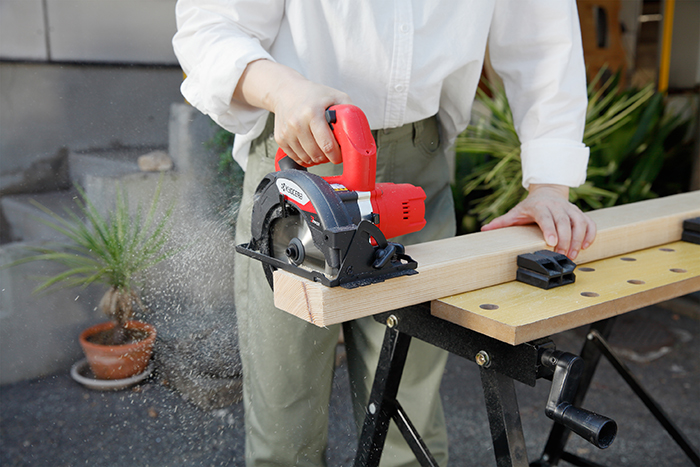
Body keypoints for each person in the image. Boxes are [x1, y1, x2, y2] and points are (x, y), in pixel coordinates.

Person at [173, 1, 597, 465]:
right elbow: (208, 25)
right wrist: (283, 89)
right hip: (304, 155)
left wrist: (551, 185)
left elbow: (542, 35)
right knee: (284, 419)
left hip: (418, 166)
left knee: (407, 421)